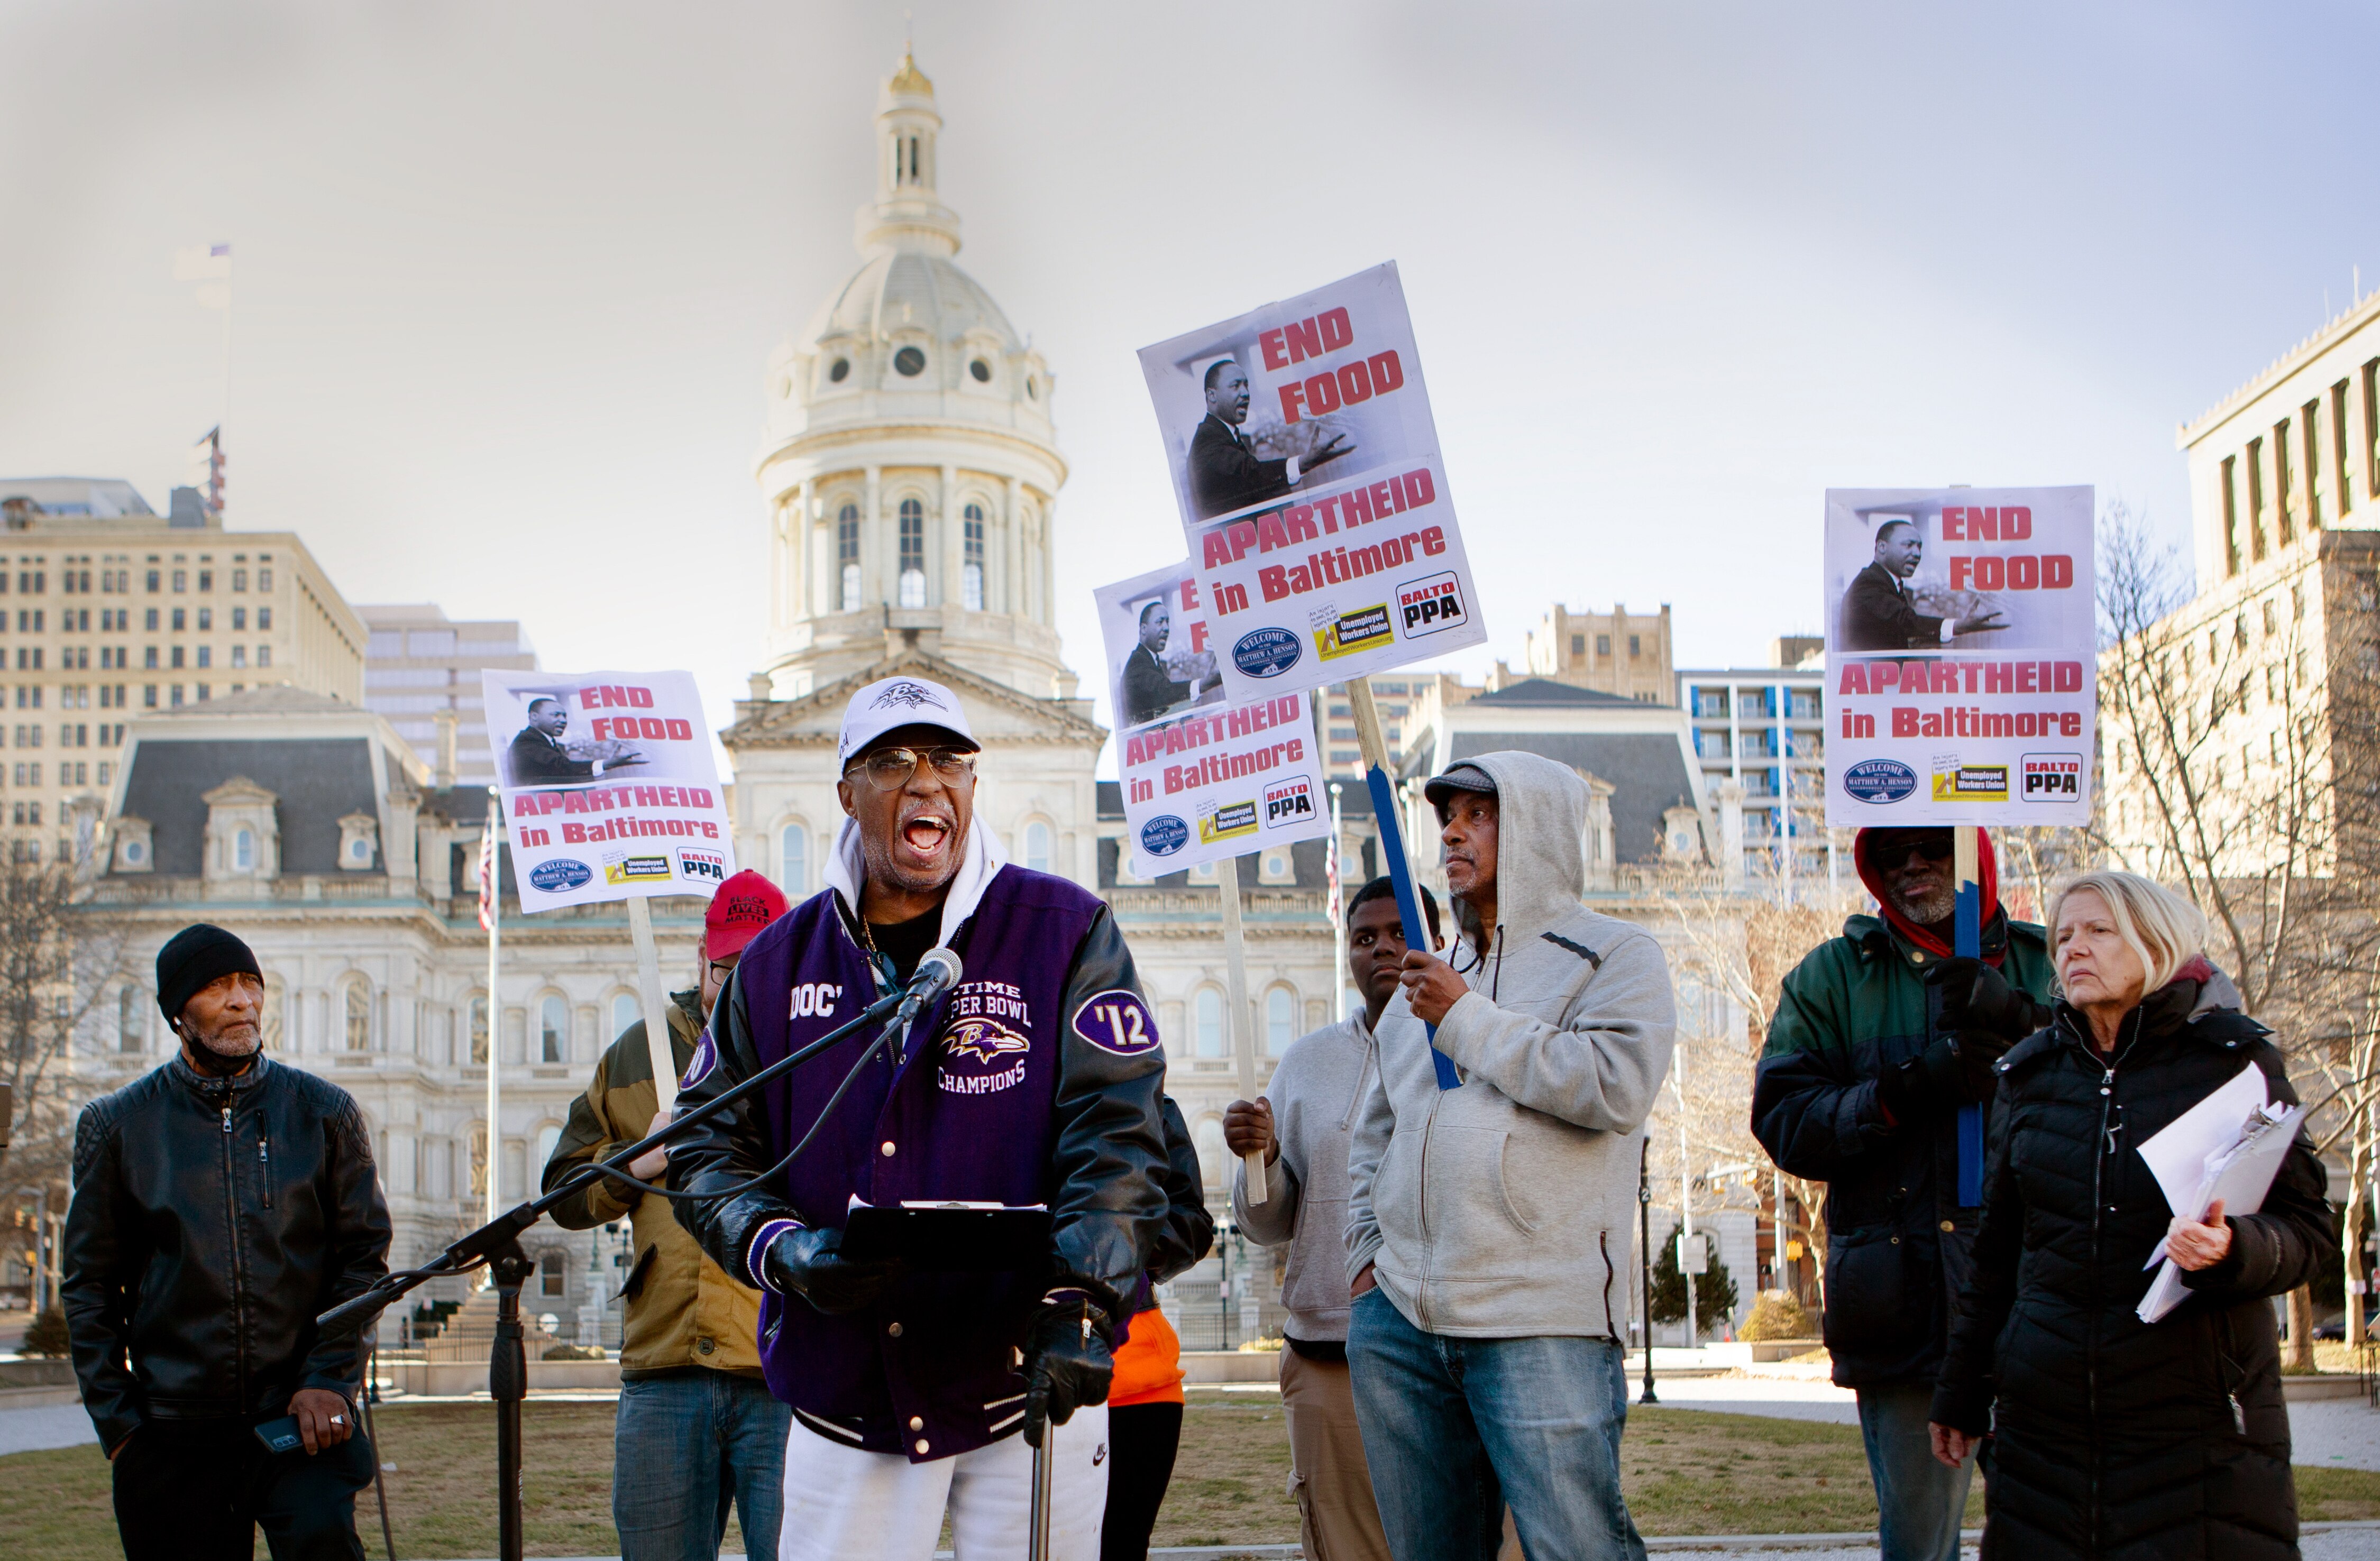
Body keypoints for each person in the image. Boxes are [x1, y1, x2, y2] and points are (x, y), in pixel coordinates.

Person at [669, 675, 1170, 1561]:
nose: (927, 779)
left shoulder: (1068, 930)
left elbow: (1117, 1135)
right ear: (847, 792)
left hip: (1025, 1383)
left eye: (949, 759)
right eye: (893, 760)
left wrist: (1083, 1301)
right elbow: (707, 1146)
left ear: (973, 787)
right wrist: (781, 1250)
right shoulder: (776, 962)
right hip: (847, 1389)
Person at [1929, 871, 2333, 1559]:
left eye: (2097, 931)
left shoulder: (2235, 1064)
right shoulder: (2030, 1076)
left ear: (2156, 942)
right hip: (2044, 1436)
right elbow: (1997, 1254)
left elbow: (2310, 1231)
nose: (2072, 949)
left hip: (2196, 1429)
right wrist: (1962, 1390)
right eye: (2062, 937)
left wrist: (2233, 1249)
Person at [1345, 754, 1677, 1561]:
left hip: (1541, 1320)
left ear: (1538, 826)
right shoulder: (1430, 976)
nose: (1453, 831)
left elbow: (1613, 1086)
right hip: (1402, 1323)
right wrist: (1366, 1263)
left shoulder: (1616, 956)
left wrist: (1467, 1020)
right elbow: (1374, 1133)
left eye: (1480, 814)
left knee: (1579, 1549)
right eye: (1447, 815)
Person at [1750, 828, 2056, 1561]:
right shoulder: (1830, 977)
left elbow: (2121, 1082)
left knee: (2058, 1533)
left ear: (1975, 851)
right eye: (1891, 853)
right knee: (1920, 1546)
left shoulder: (2050, 961)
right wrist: (1904, 1091)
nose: (1912, 865)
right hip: (1906, 1314)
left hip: (2040, 1301)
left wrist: (2026, 1025)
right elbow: (1785, 1119)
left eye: (1932, 846)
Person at [62, 923, 391, 1561]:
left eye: (250, 983)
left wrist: (330, 1379)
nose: (242, 1000)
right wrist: (122, 1428)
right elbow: (89, 1288)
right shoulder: (117, 1126)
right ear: (178, 1013)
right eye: (217, 988)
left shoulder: (325, 1112)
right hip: (172, 1434)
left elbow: (363, 1264)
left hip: (300, 1421)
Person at [541, 869, 793, 1561]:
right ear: (700, 962)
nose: (739, 986)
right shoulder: (635, 1054)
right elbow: (562, 1190)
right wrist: (636, 1161)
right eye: (725, 969)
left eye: (760, 968)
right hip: (664, 1371)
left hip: (784, 1373)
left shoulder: (818, 1051)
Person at [1224, 876, 1440, 1561]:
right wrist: (1259, 1160)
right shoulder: (1306, 1064)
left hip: (1452, 1346)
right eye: (1364, 938)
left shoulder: (1478, 1045)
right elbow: (1268, 1224)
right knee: (1346, 1544)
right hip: (1330, 1351)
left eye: (1400, 933)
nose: (1382, 949)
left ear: (1440, 941)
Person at [1100, 1097, 1215, 1561]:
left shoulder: (1150, 1100)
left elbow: (1192, 1222)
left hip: (1138, 1381)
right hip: (1009, 1375)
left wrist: (1108, 1253)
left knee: (1121, 1549)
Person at [1187, 359, 1351, 519]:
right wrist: (1303, 462)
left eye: (1246, 385)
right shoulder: (1208, 439)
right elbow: (1250, 473)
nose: (1245, 393)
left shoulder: (1223, 433)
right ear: (1212, 395)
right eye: (1235, 386)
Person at [1839, 519, 2006, 650]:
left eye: (1919, 547)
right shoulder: (1869, 583)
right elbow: (1905, 622)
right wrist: (1958, 625)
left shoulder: (1886, 582)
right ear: (1882, 547)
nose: (1917, 554)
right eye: (1908, 545)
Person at [508, 695, 643, 785]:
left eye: (565, 716)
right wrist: (605, 764)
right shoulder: (526, 742)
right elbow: (562, 767)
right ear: (534, 717)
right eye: (556, 715)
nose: (563, 721)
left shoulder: (546, 741)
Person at [1119, 600, 1210, 727]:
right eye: (1160, 622)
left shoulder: (1151, 659)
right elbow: (1164, 692)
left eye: (1167, 622)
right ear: (1144, 629)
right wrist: (1204, 683)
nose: (1166, 628)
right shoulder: (1138, 663)